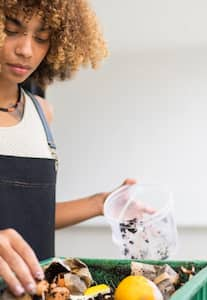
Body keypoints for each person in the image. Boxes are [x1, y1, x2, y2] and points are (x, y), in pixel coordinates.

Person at [0, 0, 134, 296]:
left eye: (41, 37)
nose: (26, 49)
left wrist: (102, 202)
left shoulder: (41, 114)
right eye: (11, 31)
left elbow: (31, 215)